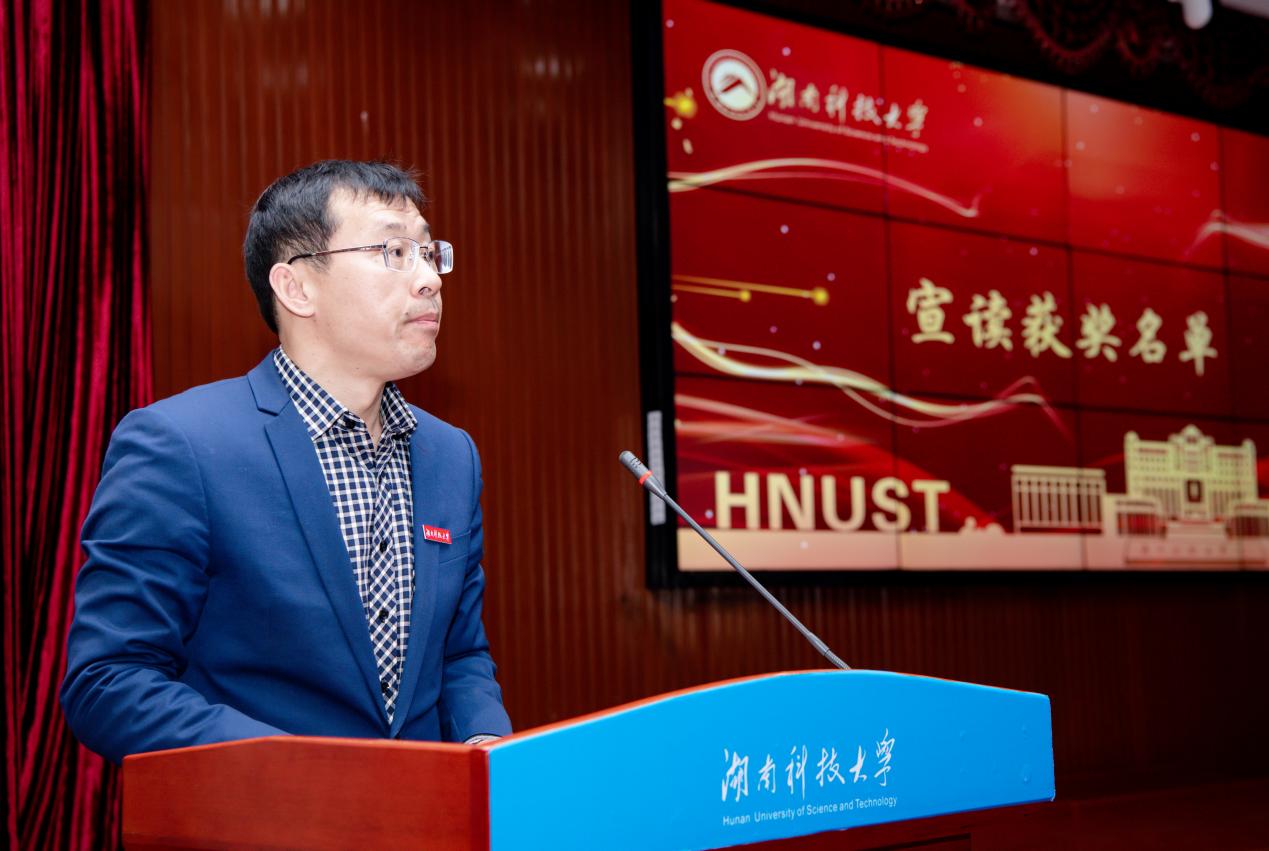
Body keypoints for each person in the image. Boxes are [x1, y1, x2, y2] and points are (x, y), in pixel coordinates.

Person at [61, 160, 511, 764]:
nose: (429, 278)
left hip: (430, 809)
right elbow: (110, 681)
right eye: (394, 252)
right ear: (296, 288)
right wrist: (301, 774)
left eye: (430, 253)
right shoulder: (182, 445)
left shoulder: (451, 455)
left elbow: (459, 654)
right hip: (262, 809)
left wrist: (486, 747)